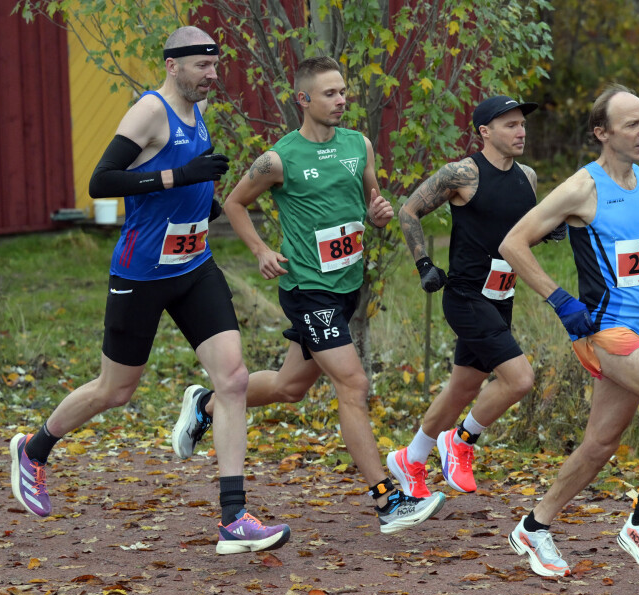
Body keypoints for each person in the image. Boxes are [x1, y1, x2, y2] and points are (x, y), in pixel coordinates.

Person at [8, 26, 291, 555]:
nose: (213, 75)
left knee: (232, 379)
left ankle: (234, 517)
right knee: (115, 390)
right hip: (141, 274)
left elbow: (190, 188)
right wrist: (180, 176)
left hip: (194, 267)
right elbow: (102, 181)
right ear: (173, 65)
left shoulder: (196, 110)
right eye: (202, 66)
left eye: (215, 65)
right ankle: (35, 447)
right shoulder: (150, 111)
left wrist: (214, 208)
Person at [169, 56, 445, 534]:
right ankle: (388, 501)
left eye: (343, 92)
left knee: (288, 387)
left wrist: (378, 213)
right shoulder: (279, 159)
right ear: (303, 100)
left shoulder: (358, 146)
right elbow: (234, 203)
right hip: (307, 289)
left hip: (346, 287)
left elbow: (371, 204)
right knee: (353, 384)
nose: (341, 101)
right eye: (330, 94)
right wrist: (259, 249)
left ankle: (205, 405)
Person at [498, 83, 639, 575]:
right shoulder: (583, 187)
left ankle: (533, 528)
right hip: (603, 332)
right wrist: (560, 300)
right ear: (602, 132)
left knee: (599, 444)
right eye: (631, 124)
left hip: (637, 334)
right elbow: (513, 243)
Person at [386, 96, 562, 501]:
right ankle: (461, 441)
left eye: (522, 124)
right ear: (485, 132)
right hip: (465, 296)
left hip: (502, 296)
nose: (521, 132)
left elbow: (514, 233)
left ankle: (411, 459)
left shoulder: (528, 177)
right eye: (510, 125)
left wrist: (546, 232)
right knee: (519, 379)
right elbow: (408, 211)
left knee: (462, 389)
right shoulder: (461, 174)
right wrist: (423, 264)